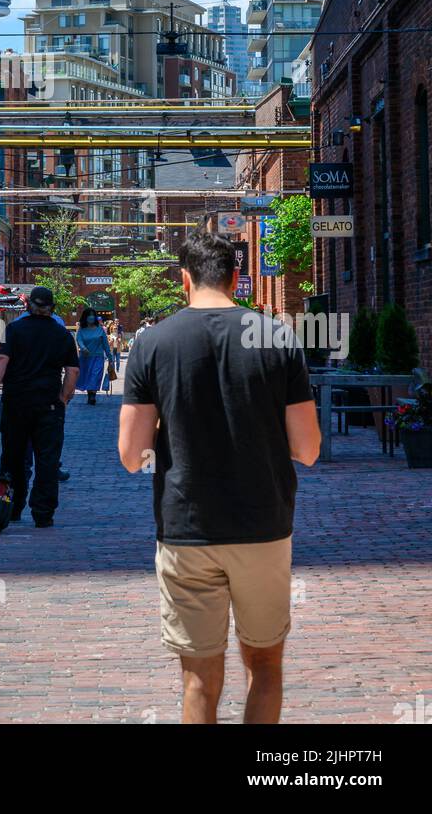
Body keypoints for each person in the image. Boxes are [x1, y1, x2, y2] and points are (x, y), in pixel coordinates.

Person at [118, 230, 321, 725]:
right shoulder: (276, 337)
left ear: (184, 280)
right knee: (266, 665)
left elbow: (130, 454)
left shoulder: (153, 343)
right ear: (236, 278)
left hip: (188, 527)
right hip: (263, 525)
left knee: (199, 678)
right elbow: (309, 449)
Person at [0, 287, 78, 527]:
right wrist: (64, 399)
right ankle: (43, 513)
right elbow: (73, 371)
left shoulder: (13, 330)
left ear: (28, 306)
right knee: (47, 460)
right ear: (51, 308)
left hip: (16, 402)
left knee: (13, 458)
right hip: (49, 405)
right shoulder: (62, 335)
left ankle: (12, 507)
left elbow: (1, 360)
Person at [75, 306, 110, 406]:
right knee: (87, 376)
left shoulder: (100, 330)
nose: (91, 317)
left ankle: (92, 395)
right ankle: (90, 394)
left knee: (95, 375)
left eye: (92, 315)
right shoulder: (81, 330)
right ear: (85, 317)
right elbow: (79, 339)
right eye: (89, 315)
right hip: (85, 358)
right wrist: (83, 347)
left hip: (98, 357)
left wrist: (110, 358)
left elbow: (105, 344)